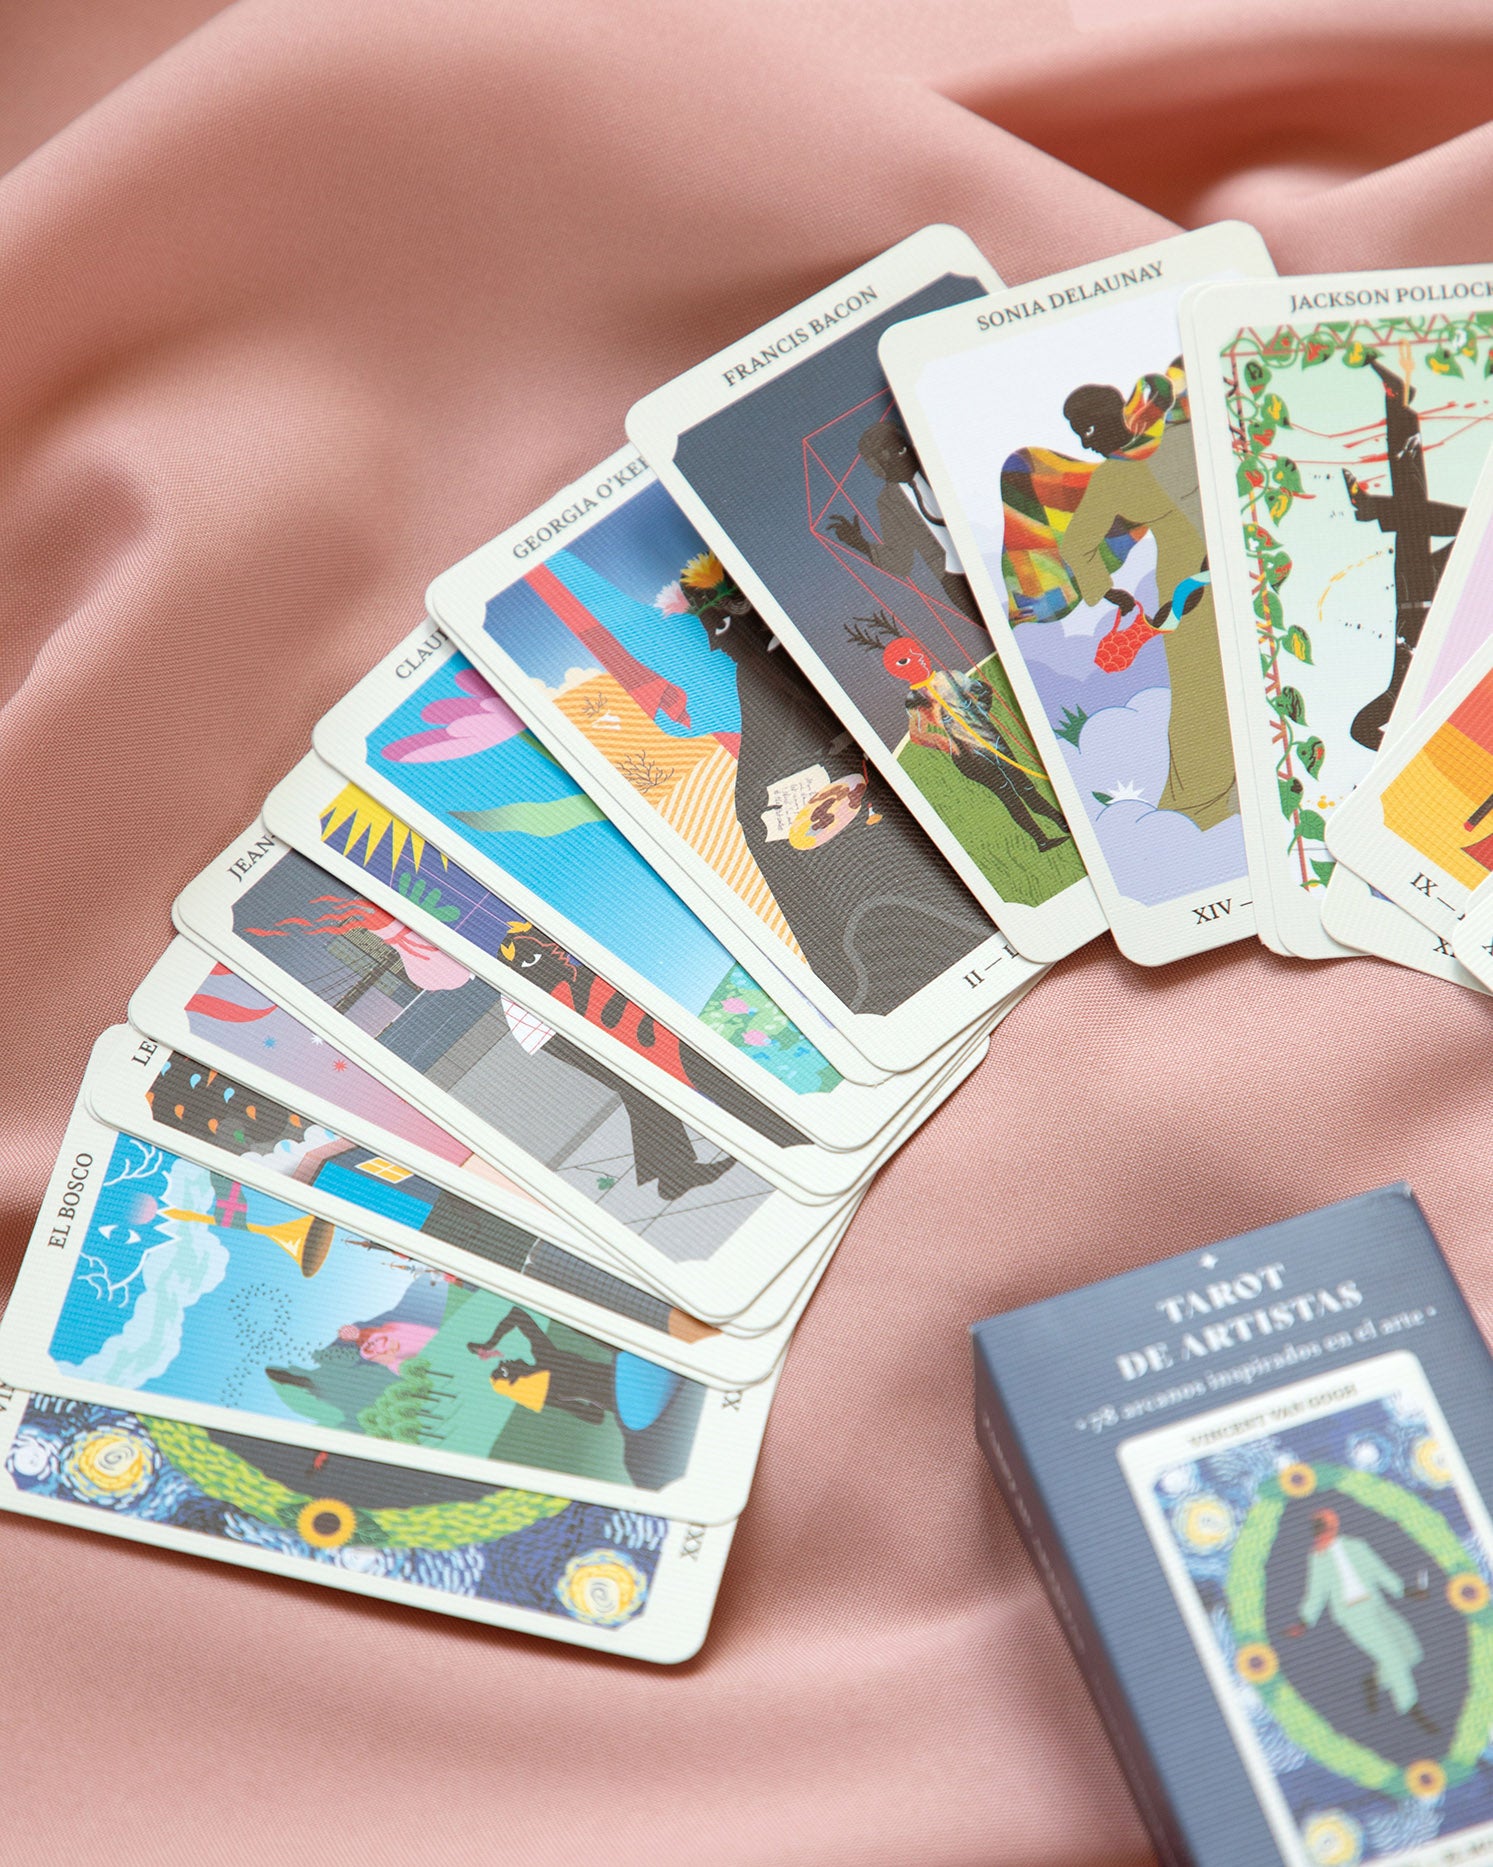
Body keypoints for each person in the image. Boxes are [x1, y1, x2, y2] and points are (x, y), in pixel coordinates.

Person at [1001, 363, 1238, 834]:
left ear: (1115, 414)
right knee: (1205, 686)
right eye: (1077, 434)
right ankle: (1210, 798)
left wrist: (1104, 591)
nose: (1084, 443)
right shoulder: (1169, 443)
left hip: (1199, 575)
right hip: (1200, 578)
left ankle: (1209, 799)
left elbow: (1077, 547)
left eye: (1086, 430)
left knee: (1207, 686)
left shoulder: (1131, 466)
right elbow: (1077, 546)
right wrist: (1111, 594)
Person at [1287, 1506, 1436, 1732]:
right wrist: (1304, 1622)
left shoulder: (1355, 1545)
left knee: (1411, 1651)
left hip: (1376, 1605)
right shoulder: (1317, 1559)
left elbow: (1380, 1572)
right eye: (1318, 1527)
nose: (1322, 1532)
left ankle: (1374, 1681)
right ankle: (1410, 1707)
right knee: (1392, 1656)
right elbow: (1316, 1592)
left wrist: (1407, 1591)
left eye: (1325, 1526)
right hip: (1352, 1614)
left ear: (1333, 1526)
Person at [824, 419, 982, 621]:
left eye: (901, 445)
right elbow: (901, 562)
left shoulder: (936, 465)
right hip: (956, 579)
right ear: (877, 466)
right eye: (887, 451)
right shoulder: (889, 502)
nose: (901, 452)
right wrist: (860, 544)